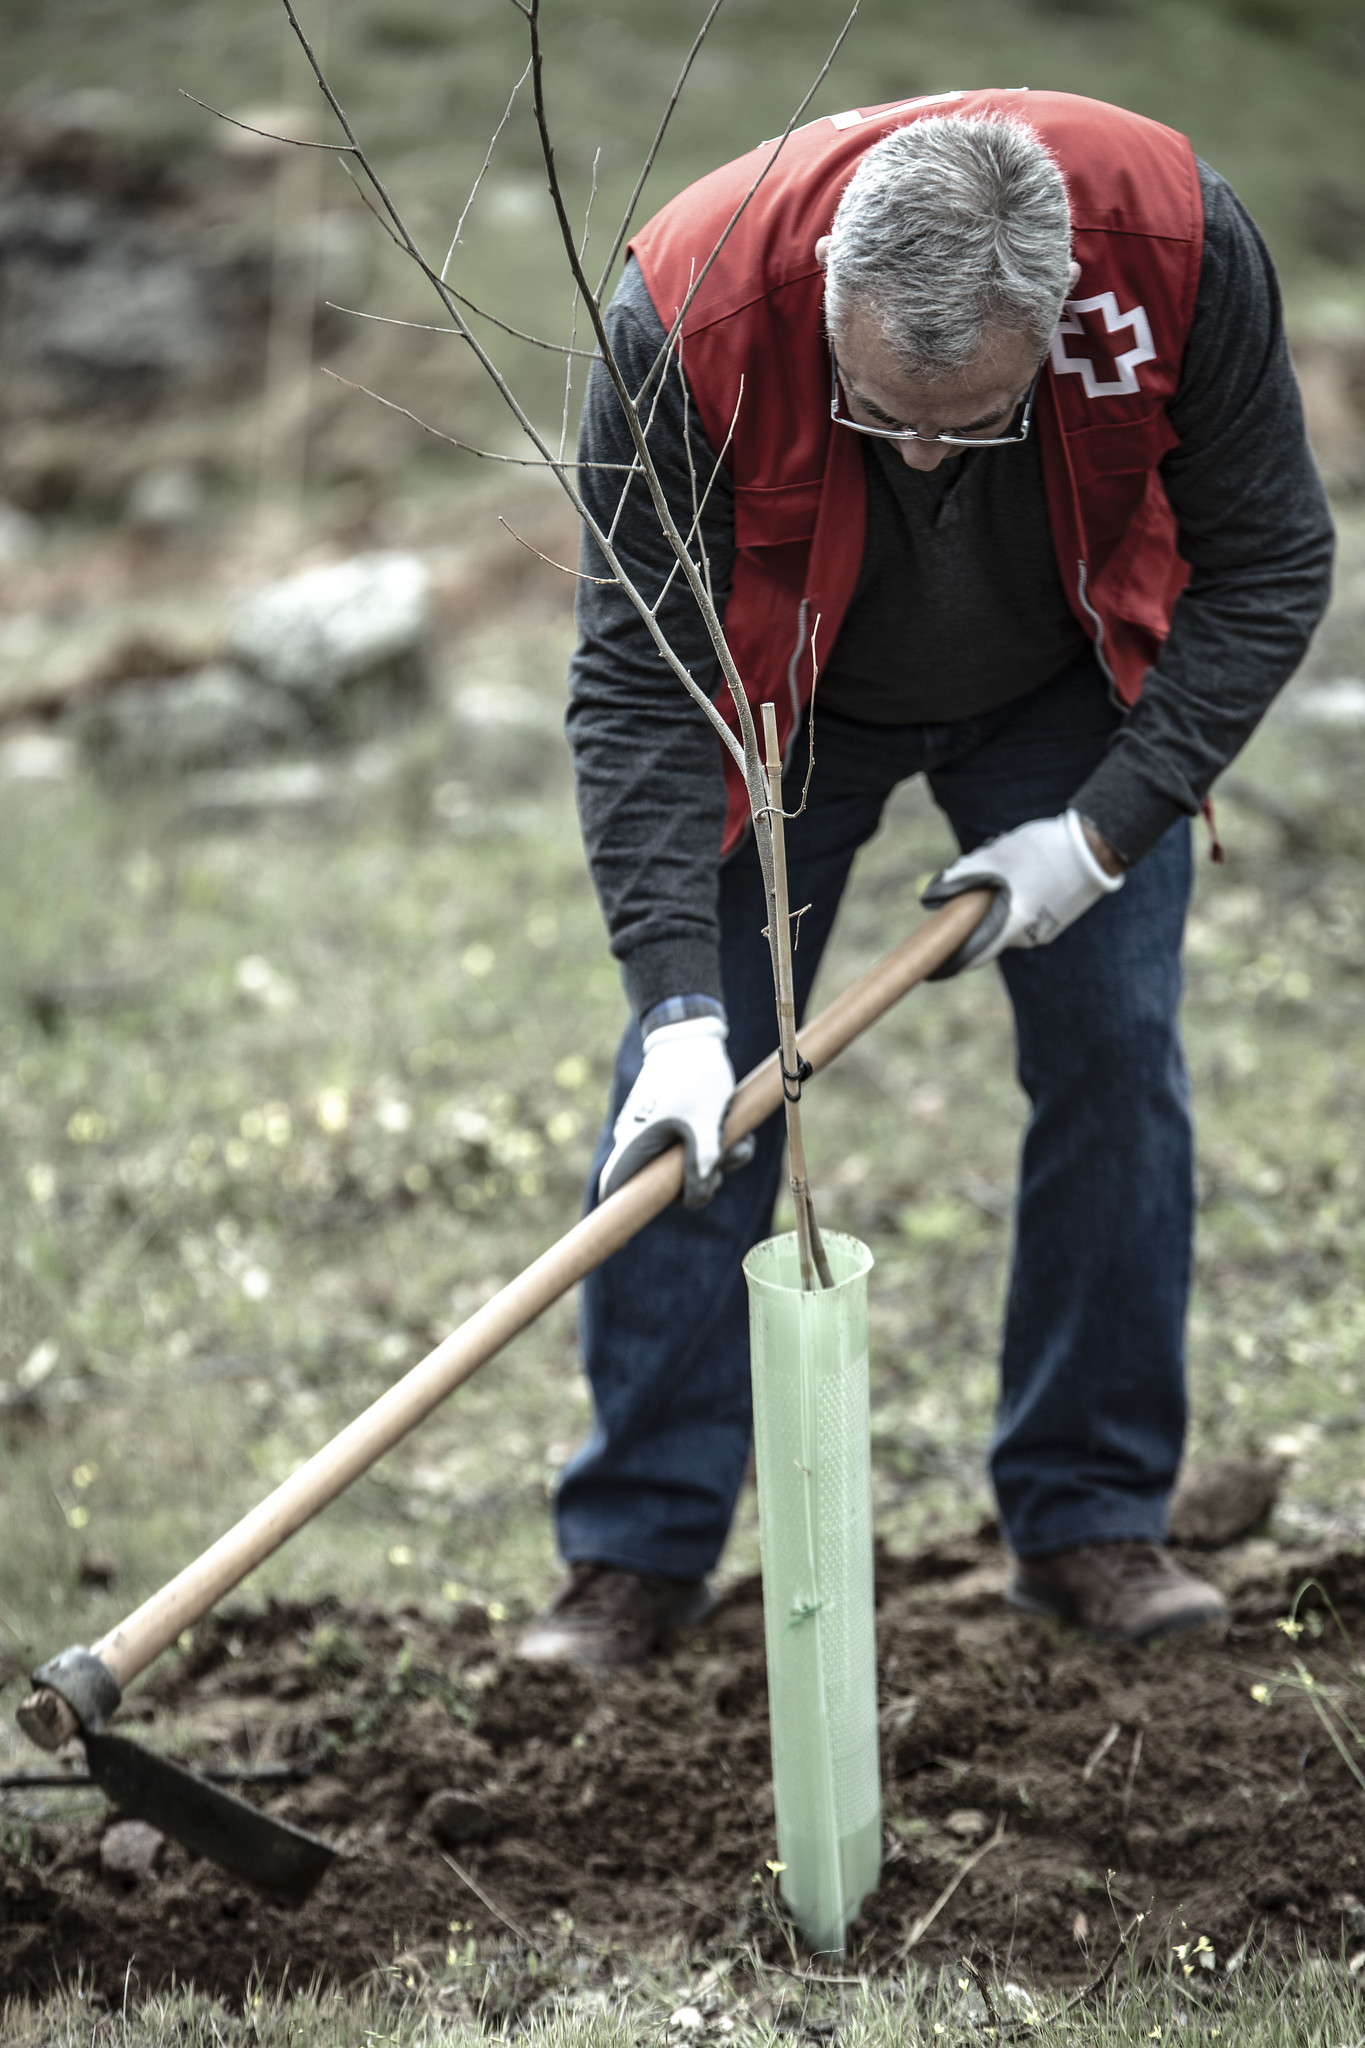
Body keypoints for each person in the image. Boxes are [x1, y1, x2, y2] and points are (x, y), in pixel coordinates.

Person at [516, 89, 1334, 1667]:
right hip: (777, 700)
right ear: (827, 296)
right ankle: (636, 1550)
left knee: (1113, 1058)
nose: (915, 451)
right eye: (879, 408)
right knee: (689, 1101)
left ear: (1053, 322)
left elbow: (1271, 561)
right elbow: (631, 683)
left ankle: (1088, 1514)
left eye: (969, 422)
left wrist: (1103, 828)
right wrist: (677, 1000)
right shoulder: (690, 310)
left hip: (1061, 688)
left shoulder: (1173, 251)